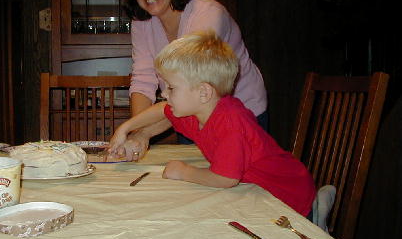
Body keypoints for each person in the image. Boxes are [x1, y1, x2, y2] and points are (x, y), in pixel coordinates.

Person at [109, 31, 315, 217]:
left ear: (203, 92)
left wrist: (184, 172)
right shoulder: (198, 112)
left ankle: (317, 210)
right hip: (256, 192)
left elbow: (226, 179)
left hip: (290, 197)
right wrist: (125, 128)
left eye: (171, 87)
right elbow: (161, 110)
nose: (164, 94)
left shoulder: (231, 122)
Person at [123, 0, 267, 155]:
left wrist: (143, 134)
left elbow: (194, 87)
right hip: (189, 114)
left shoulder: (208, 14)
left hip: (241, 112)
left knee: (239, 181)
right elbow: (143, 79)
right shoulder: (141, 22)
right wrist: (138, 130)